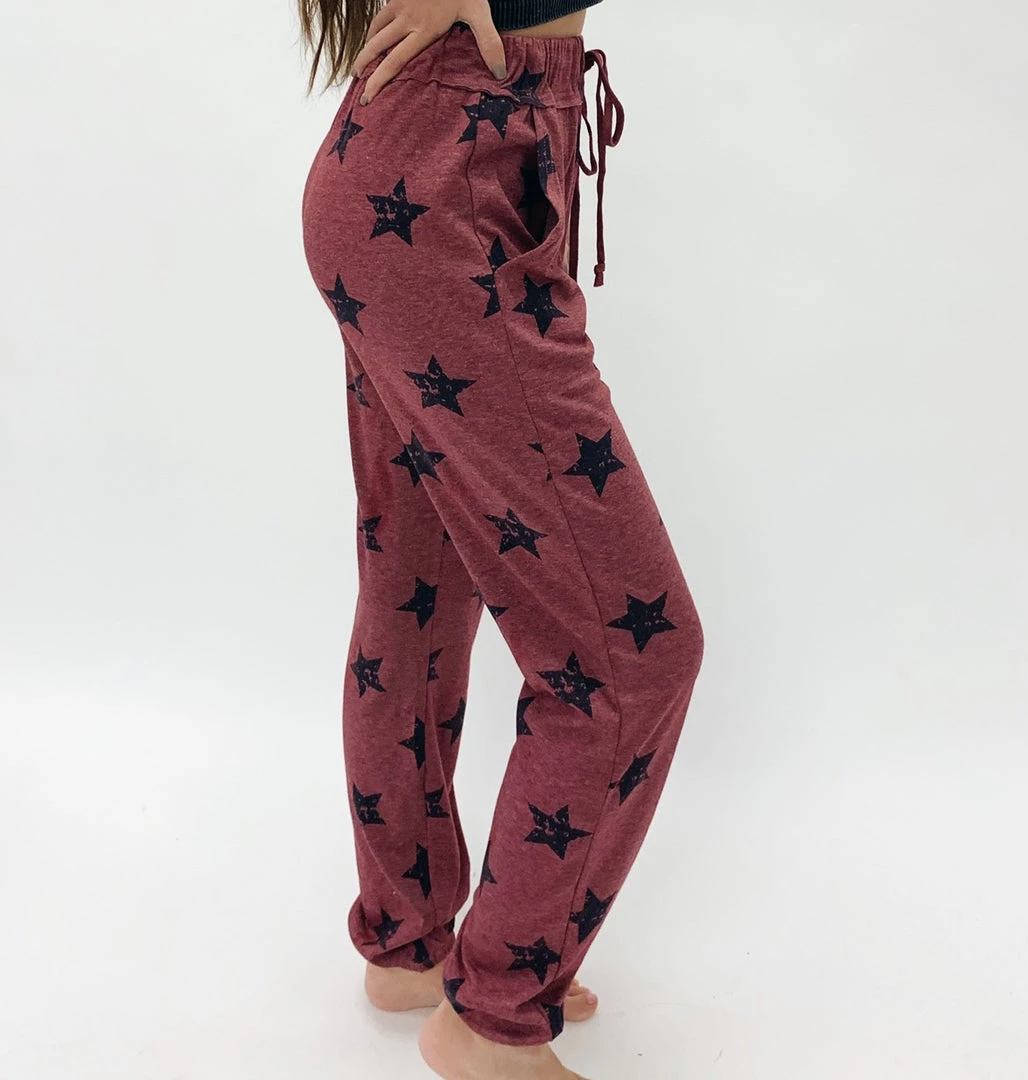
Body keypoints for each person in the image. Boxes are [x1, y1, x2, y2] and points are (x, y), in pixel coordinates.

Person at [298, 2, 706, 1076]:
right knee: (632, 656)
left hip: (431, 157)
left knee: (419, 592)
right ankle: (493, 1014)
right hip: (444, 173)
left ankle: (410, 940)